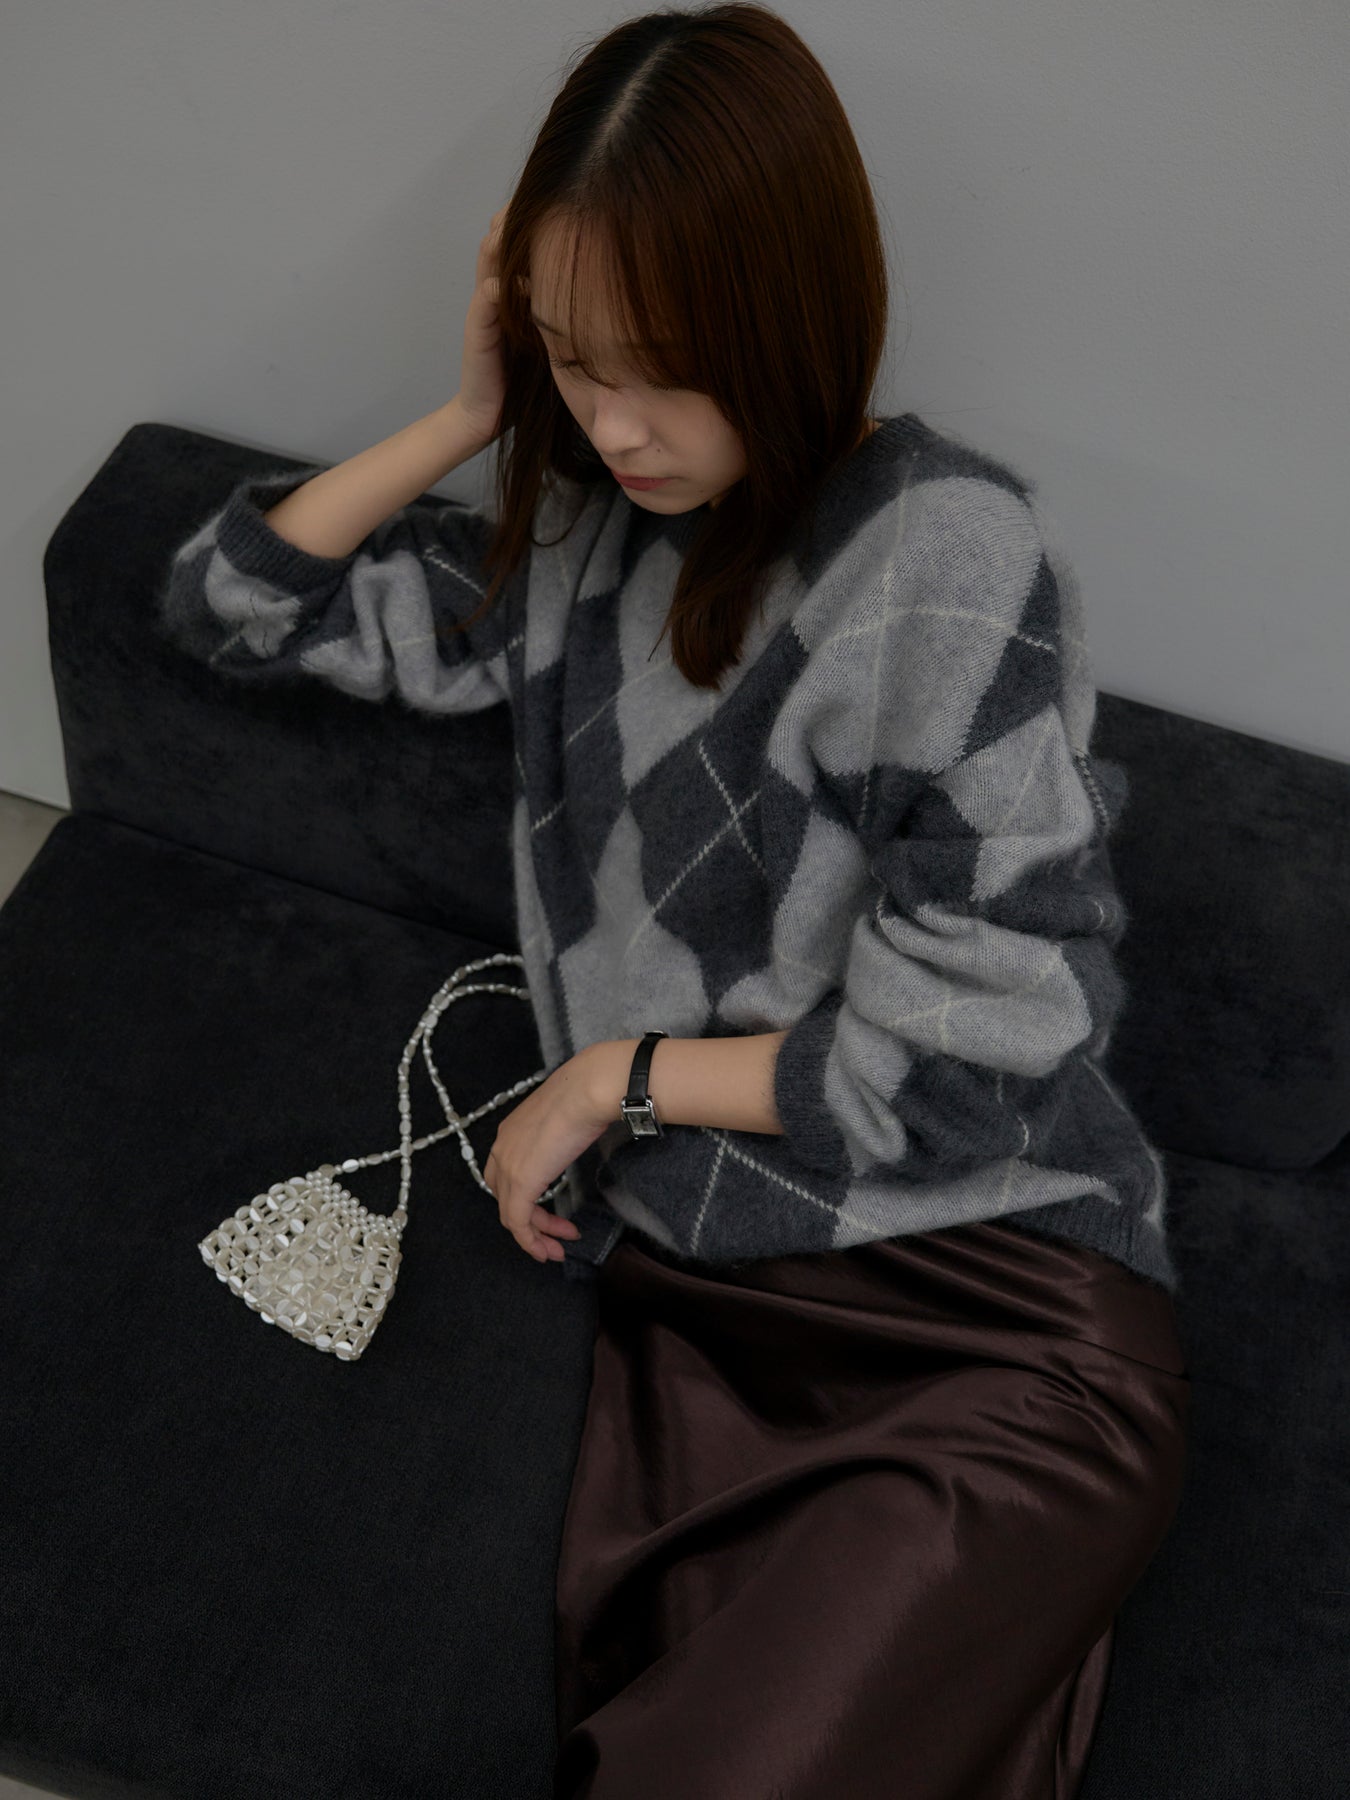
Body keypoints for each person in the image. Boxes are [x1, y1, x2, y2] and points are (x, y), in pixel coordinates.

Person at [156, 7, 1191, 1795]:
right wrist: (473, 413)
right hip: (704, 1323)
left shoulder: (944, 558)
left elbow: (975, 1058)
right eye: (571, 358)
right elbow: (230, 603)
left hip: (989, 1314)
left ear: (790, 316)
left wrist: (606, 1078)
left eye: (661, 367)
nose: (615, 424)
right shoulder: (580, 542)